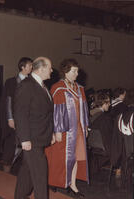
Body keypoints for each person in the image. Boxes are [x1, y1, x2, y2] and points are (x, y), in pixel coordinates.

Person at [45, 58, 89, 198]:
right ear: (66, 72)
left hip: (78, 130)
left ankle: (72, 184)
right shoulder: (58, 88)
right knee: (59, 159)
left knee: (76, 157)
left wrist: (86, 126)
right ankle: (53, 180)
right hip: (64, 130)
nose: (77, 73)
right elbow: (56, 111)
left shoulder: (79, 88)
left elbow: (85, 109)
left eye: (77, 70)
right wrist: (57, 131)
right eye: (74, 71)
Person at [14, 57, 54, 199]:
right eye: (50, 67)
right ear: (41, 68)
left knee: (27, 171)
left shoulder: (42, 86)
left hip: (41, 136)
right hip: (31, 139)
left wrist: (52, 133)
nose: (52, 70)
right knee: (40, 175)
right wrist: (24, 139)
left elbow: (47, 113)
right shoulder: (27, 85)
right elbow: (20, 113)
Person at [0, 57, 33, 172]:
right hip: (14, 118)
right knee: (11, 144)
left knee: (23, 145)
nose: (31, 68)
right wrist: (10, 118)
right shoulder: (11, 82)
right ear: (22, 67)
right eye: (29, 66)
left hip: (27, 119)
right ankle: (6, 169)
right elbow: (8, 100)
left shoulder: (32, 82)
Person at [88, 92, 113, 175]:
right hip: (103, 147)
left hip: (92, 145)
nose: (110, 104)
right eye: (108, 102)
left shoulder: (90, 114)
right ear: (104, 103)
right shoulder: (105, 118)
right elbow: (109, 135)